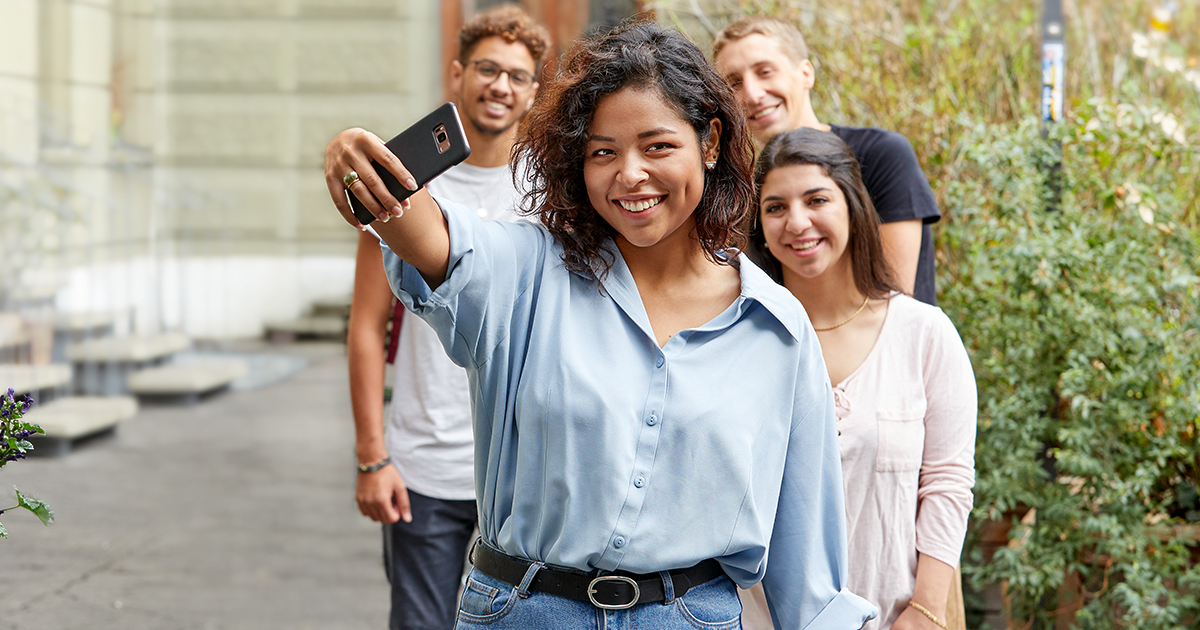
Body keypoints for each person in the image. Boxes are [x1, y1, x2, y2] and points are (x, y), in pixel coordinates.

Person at [326, 20, 876, 630]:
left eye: (658, 146)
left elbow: (808, 579)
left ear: (711, 142)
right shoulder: (528, 270)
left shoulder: (775, 327)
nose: (630, 174)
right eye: (602, 152)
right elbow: (432, 236)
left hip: (691, 617)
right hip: (524, 611)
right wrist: (358, 157)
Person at [343, 6, 549, 630]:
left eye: (516, 75)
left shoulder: (549, 188)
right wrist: (372, 457)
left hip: (523, 471)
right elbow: (364, 328)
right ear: (457, 73)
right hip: (423, 465)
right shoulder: (405, 183)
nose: (500, 86)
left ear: (533, 91)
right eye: (487, 68)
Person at [741, 127, 976, 630]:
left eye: (816, 199)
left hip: (894, 616)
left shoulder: (923, 334)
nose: (797, 222)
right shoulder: (741, 338)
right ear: (759, 226)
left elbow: (948, 484)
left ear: (852, 204)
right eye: (775, 207)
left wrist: (926, 611)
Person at [712, 16, 942, 306]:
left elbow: (893, 298)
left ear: (806, 73)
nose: (753, 94)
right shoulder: (739, 187)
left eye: (765, 71)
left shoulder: (881, 154)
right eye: (734, 83)